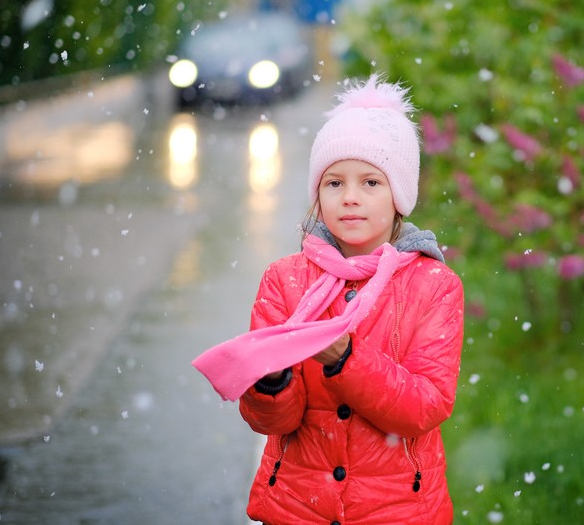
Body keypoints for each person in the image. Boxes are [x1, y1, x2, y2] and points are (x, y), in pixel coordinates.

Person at [195, 74, 464, 524]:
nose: (350, 198)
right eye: (334, 183)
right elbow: (271, 422)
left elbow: (424, 408)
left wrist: (346, 360)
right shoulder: (285, 280)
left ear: (400, 196)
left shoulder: (433, 284)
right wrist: (271, 381)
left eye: (371, 183)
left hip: (397, 511)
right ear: (317, 194)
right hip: (299, 508)